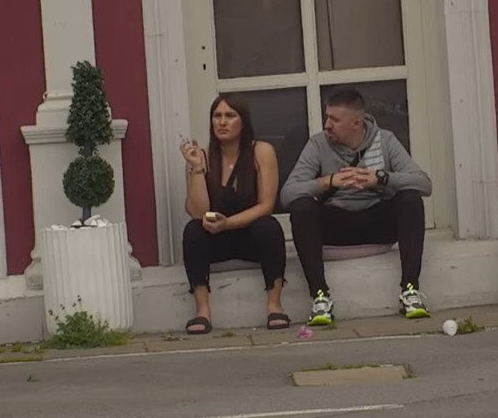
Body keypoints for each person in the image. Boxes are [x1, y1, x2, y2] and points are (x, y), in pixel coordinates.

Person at [280, 88, 432, 325]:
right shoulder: (318, 144)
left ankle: (410, 291)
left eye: (334, 119)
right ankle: (320, 297)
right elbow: (287, 194)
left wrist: (381, 178)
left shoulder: (386, 140)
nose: (327, 125)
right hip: (336, 222)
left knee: (410, 199)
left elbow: (424, 184)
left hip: (376, 221)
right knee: (301, 207)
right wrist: (328, 182)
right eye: (327, 117)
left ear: (356, 122)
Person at [179, 94, 289, 334]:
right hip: (217, 239)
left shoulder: (261, 151)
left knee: (269, 226)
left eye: (230, 116)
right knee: (193, 231)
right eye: (217, 116)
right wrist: (196, 167)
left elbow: (266, 205)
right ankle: (202, 311)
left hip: (251, 236)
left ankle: (274, 305)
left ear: (243, 121)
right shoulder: (202, 156)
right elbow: (197, 212)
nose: (222, 122)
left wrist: (228, 223)